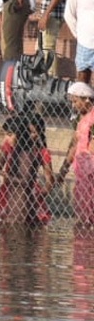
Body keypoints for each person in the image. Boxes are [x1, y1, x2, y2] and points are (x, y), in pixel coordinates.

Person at [57, 81, 94, 224]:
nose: (74, 105)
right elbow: (74, 143)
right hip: (81, 169)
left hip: (90, 168)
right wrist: (63, 169)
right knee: (81, 203)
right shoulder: (79, 119)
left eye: (76, 101)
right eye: (72, 102)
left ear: (86, 99)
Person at [63, 0, 94, 85]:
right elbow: (69, 15)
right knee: (82, 80)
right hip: (84, 45)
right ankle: (84, 104)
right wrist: (79, 35)